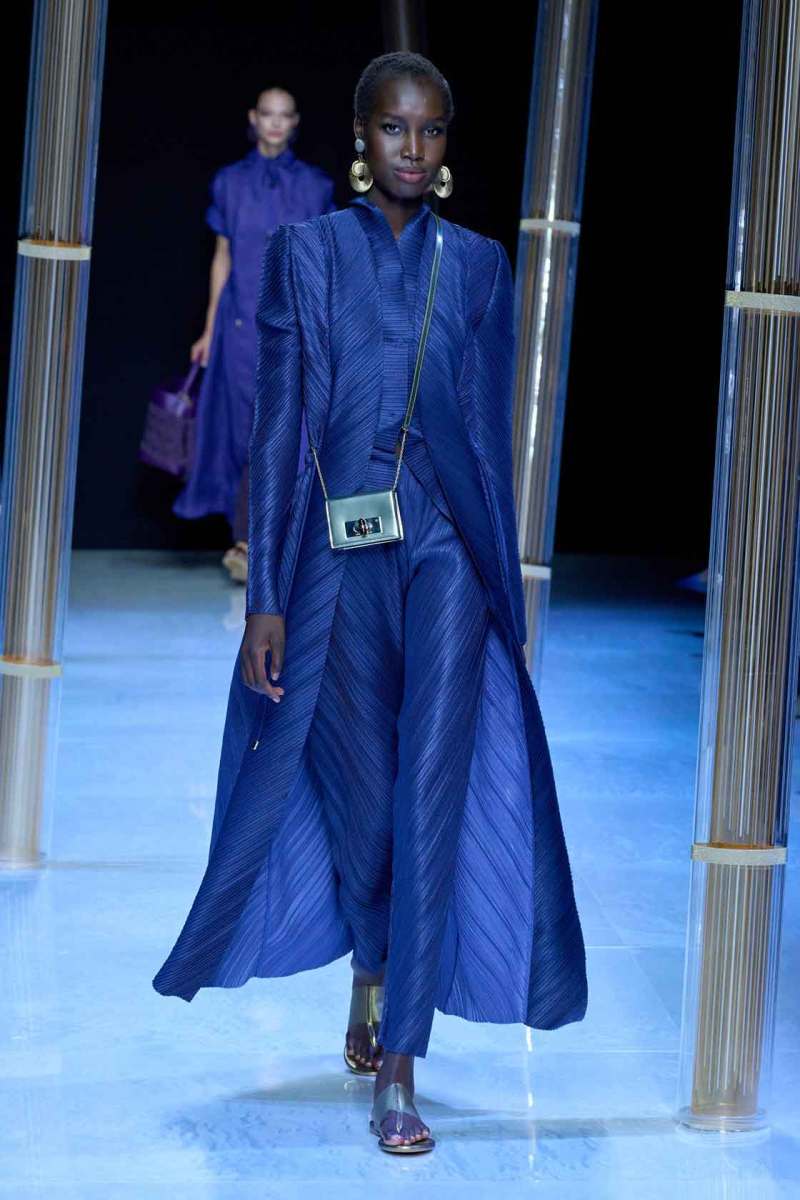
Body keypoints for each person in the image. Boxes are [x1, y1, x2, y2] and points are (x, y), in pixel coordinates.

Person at [154, 52, 587, 1155]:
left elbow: (488, 439)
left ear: (445, 145)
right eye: (394, 128)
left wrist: (505, 593)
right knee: (361, 799)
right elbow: (279, 429)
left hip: (445, 553)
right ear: (359, 135)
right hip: (338, 561)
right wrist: (266, 592)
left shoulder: (477, 266)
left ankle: (401, 1061)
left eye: (431, 131)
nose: (412, 148)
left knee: (431, 786)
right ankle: (370, 969)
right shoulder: (306, 255)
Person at [174, 87, 336, 580]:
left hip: (296, 323)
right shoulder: (229, 182)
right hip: (240, 323)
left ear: (295, 122)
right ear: (253, 118)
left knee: (289, 428)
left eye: (284, 115)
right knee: (244, 427)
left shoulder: (316, 186)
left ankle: (275, 542)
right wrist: (208, 328)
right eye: (268, 114)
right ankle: (246, 540)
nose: (275, 123)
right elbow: (221, 256)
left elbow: (324, 262)